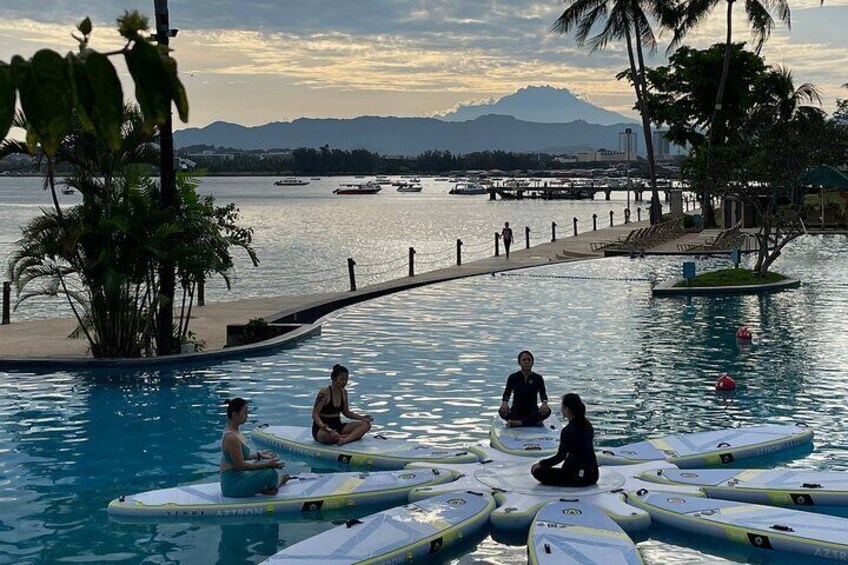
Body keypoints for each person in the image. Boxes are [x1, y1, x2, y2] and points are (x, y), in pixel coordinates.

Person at [220, 398, 289, 497]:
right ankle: (276, 485)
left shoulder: (234, 432)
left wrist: (260, 455)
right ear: (235, 415)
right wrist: (267, 465)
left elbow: (242, 455)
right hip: (233, 487)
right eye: (244, 413)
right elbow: (241, 465)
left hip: (240, 477)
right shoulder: (231, 438)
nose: (247, 416)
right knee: (271, 472)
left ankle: (264, 487)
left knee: (264, 461)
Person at [531, 393, 599, 487]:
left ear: (566, 409)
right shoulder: (588, 425)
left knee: (536, 471)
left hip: (577, 477)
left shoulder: (568, 430)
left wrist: (542, 463)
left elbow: (560, 457)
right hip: (593, 475)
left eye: (562, 407)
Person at [312, 364, 373, 446]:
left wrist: (362, 417)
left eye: (346, 379)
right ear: (334, 379)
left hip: (337, 426)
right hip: (322, 428)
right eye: (342, 379)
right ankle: (348, 436)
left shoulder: (344, 392)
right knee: (330, 436)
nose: (344, 382)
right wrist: (324, 427)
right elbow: (315, 414)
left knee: (366, 425)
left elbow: (346, 412)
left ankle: (345, 439)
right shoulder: (324, 392)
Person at [499, 350, 551, 427]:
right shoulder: (513, 377)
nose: (526, 362)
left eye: (529, 360)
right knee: (501, 411)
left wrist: (544, 402)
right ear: (519, 363)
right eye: (524, 360)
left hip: (532, 411)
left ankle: (518, 423)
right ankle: (532, 422)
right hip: (516, 411)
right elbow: (507, 393)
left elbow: (543, 394)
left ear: (532, 362)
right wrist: (504, 403)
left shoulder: (538, 378)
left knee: (548, 411)